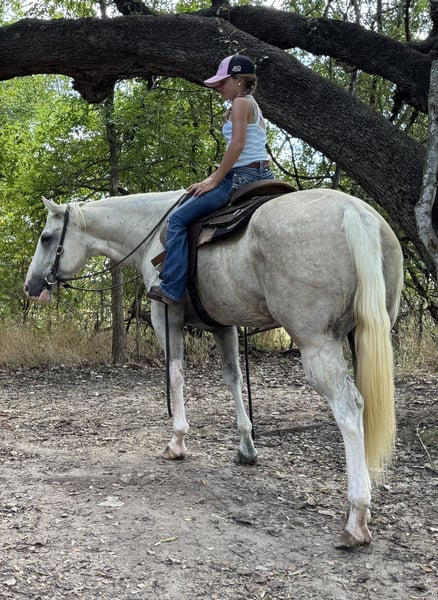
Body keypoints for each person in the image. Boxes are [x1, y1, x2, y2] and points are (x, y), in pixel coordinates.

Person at [148, 54, 274, 305]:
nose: (218, 87)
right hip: (262, 174)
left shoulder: (240, 103)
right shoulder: (252, 105)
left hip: (241, 177)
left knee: (177, 220)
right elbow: (244, 149)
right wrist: (211, 177)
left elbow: (237, 146)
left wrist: (215, 181)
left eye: (223, 82)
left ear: (239, 80)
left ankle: (172, 289)